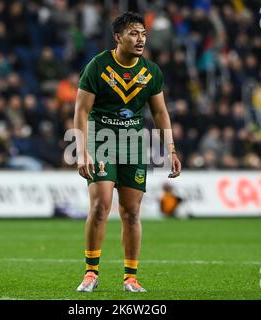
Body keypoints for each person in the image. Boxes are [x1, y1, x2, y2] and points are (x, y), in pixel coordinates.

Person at [73, 12, 181, 293]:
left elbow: (160, 112)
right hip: (101, 139)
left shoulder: (151, 72)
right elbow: (81, 111)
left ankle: (130, 278)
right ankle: (90, 273)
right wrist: (81, 150)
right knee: (100, 205)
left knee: (132, 212)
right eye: (134, 33)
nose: (141, 39)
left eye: (143, 34)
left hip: (133, 143)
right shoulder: (97, 67)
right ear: (118, 37)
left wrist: (170, 148)